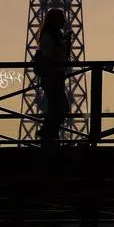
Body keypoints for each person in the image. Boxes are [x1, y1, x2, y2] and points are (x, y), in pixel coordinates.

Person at [33, 8, 72, 147]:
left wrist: (67, 44)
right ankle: (48, 135)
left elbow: (62, 58)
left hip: (56, 77)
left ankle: (49, 136)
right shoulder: (50, 36)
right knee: (61, 108)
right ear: (55, 20)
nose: (64, 21)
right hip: (53, 77)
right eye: (62, 18)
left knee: (57, 108)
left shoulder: (55, 35)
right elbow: (48, 58)